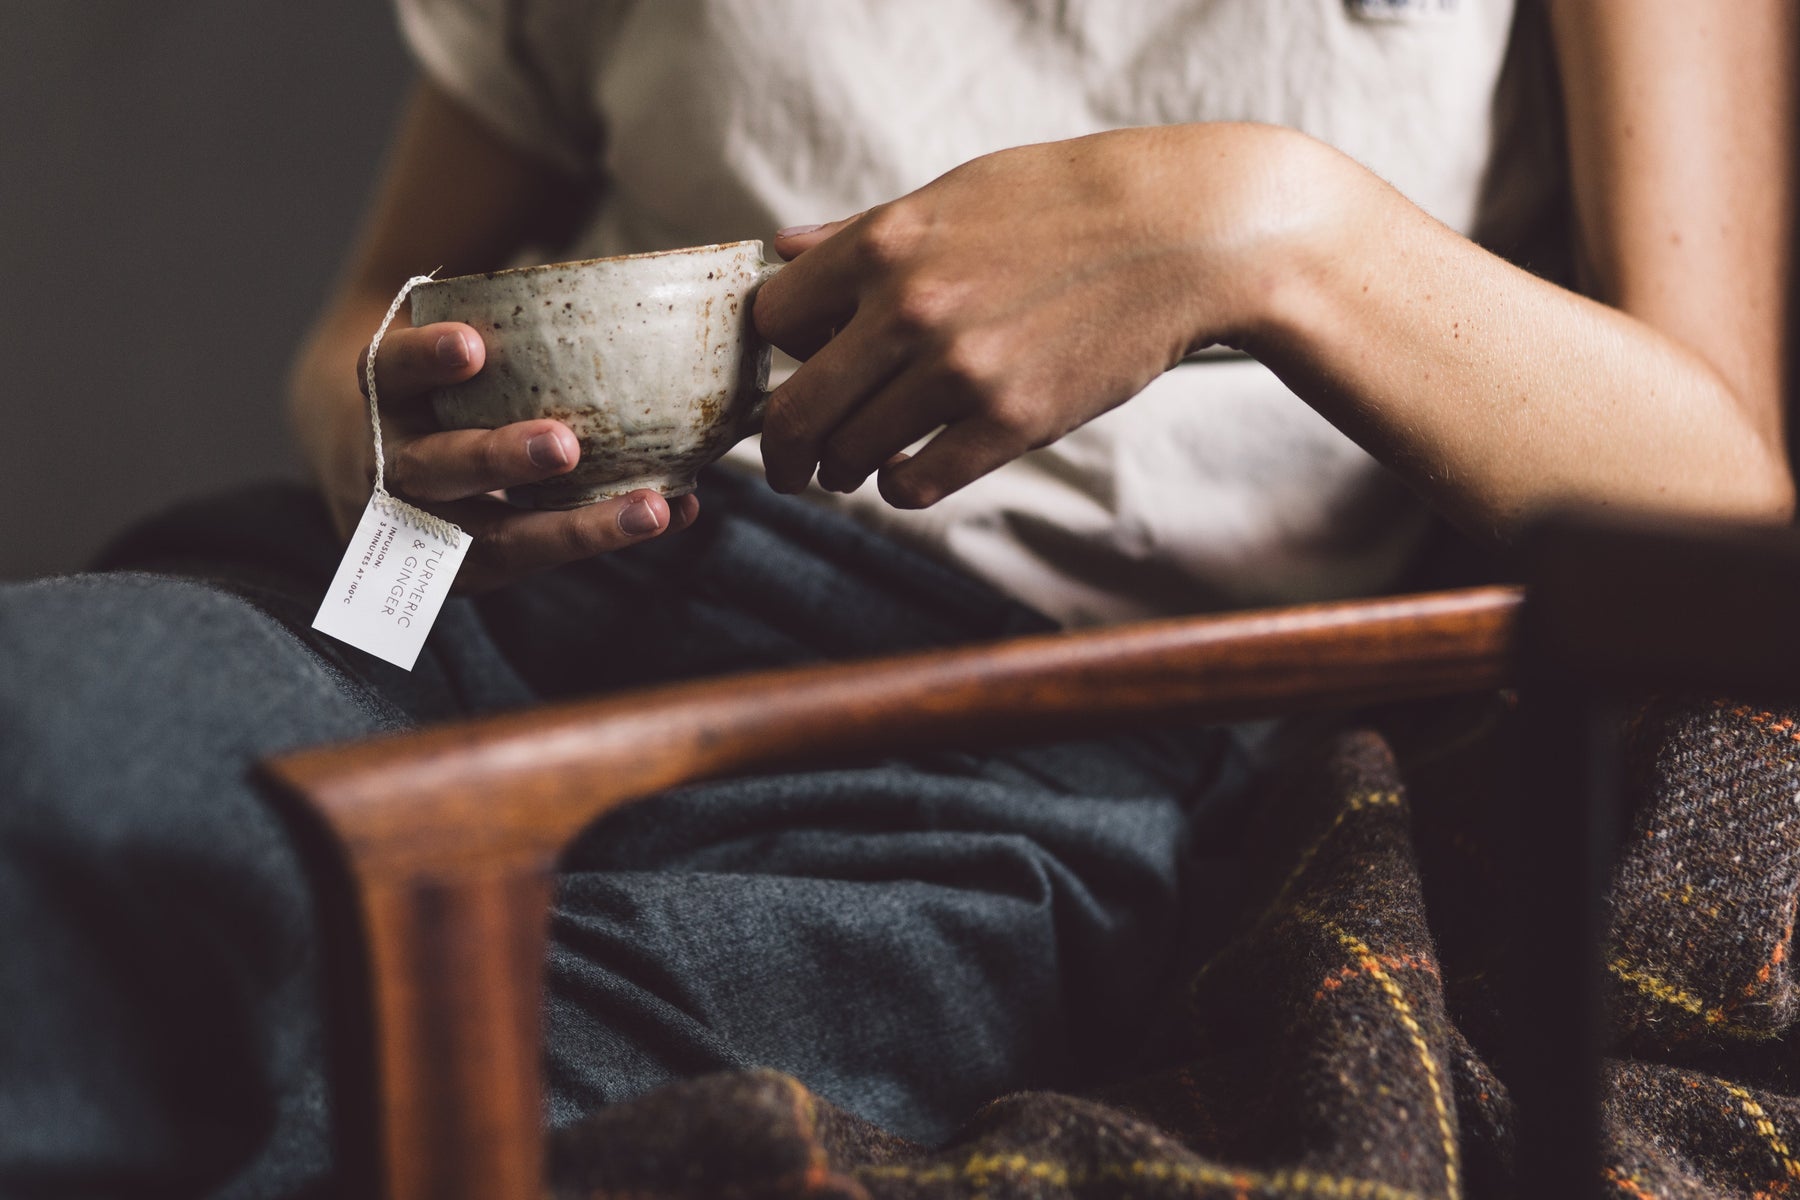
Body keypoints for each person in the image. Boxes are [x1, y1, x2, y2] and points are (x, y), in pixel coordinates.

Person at [2, 1, 1791, 1196]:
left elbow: (1718, 503)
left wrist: (1270, 235)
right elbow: (357, 338)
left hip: (1018, 743)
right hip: (479, 599)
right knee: (53, 740)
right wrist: (380, 425)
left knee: (459, 1079)